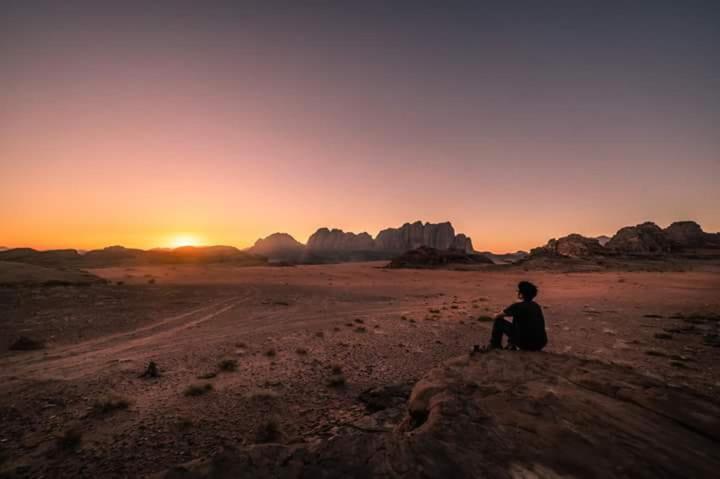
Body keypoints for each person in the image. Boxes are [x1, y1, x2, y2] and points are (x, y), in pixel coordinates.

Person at [474, 281, 547, 352]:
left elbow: (498, 316)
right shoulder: (536, 306)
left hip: (526, 344)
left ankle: (495, 344)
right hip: (540, 344)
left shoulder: (518, 306)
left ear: (521, 293)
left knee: (499, 321)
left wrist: (496, 315)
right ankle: (511, 344)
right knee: (517, 318)